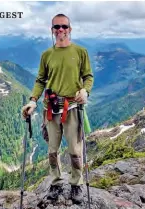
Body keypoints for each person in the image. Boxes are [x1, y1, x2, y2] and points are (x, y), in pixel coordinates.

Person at [21, 13, 94, 204]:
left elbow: (88, 76)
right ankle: (56, 182)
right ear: (52, 30)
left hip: (72, 108)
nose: (60, 30)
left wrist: (85, 91)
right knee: (52, 151)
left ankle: (76, 184)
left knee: (75, 151)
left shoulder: (80, 52)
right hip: (51, 109)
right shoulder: (46, 55)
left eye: (64, 26)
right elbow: (40, 80)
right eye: (56, 27)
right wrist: (33, 101)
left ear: (70, 29)